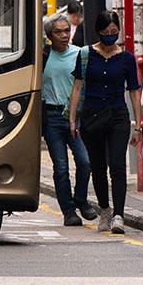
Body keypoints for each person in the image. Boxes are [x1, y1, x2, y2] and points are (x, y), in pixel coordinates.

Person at [68, 10, 143, 234]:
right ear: (98, 32)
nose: (110, 36)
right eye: (106, 32)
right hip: (92, 116)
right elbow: (77, 87)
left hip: (118, 116)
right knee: (98, 166)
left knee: (118, 165)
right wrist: (72, 119)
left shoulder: (127, 59)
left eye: (114, 32)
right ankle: (105, 210)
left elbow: (134, 92)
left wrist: (139, 125)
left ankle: (119, 214)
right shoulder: (86, 55)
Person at [42, 15, 97, 226]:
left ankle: (81, 200)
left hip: (76, 118)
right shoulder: (44, 57)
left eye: (67, 31)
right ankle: (68, 211)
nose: (64, 35)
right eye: (58, 32)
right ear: (49, 36)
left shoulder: (79, 54)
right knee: (61, 167)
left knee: (85, 162)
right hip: (52, 117)